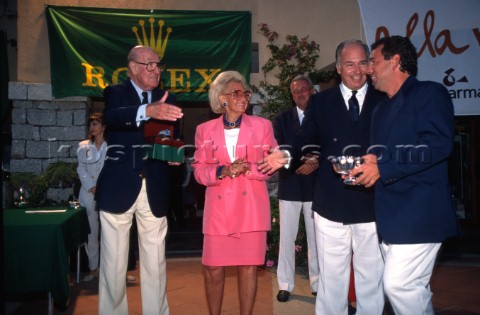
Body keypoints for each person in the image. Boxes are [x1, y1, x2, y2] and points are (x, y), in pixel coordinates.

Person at [259, 40, 386, 315]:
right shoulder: (321, 101)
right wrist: (286, 154)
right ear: (339, 68)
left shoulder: (384, 97)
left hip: (373, 202)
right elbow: (305, 139)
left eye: (362, 63)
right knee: (331, 280)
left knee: (371, 278)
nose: (357, 70)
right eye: (349, 64)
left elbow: (394, 141)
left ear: (369, 65)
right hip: (331, 204)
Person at [351, 35, 458, 315]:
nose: (368, 69)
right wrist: (367, 165)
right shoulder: (381, 108)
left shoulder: (429, 93)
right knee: (412, 288)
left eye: (373, 61)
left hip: (421, 213)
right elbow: (379, 153)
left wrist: (383, 167)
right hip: (391, 216)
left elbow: (438, 145)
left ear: (395, 60)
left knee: (399, 285)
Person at [95, 45, 183, 314]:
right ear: (132, 67)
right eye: (150, 65)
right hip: (119, 187)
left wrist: (174, 153)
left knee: (155, 263)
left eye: (158, 65)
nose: (156, 70)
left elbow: (170, 135)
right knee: (114, 264)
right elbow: (113, 117)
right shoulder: (116, 93)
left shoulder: (167, 97)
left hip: (155, 188)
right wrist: (147, 111)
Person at [192, 70, 278, 315]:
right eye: (236, 93)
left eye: (246, 93)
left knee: (248, 268)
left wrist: (247, 168)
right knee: (212, 268)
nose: (243, 98)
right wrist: (223, 170)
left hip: (251, 208)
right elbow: (199, 170)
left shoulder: (262, 126)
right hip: (219, 211)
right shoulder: (205, 130)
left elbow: (270, 165)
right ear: (222, 99)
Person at [273, 75, 319, 302]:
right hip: (290, 184)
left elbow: (329, 143)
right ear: (291, 95)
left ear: (312, 90)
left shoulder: (323, 116)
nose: (300, 94)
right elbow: (280, 149)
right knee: (286, 237)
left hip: (316, 186)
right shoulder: (281, 119)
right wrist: (305, 161)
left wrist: (316, 161)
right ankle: (285, 284)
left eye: (304, 89)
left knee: (316, 238)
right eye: (295, 91)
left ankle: (318, 282)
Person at [77, 112, 107, 282]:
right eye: (91, 124)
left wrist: (102, 187)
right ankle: (93, 268)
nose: (92, 127)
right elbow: (81, 168)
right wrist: (91, 186)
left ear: (103, 127)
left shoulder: (111, 146)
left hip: (107, 193)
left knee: (109, 233)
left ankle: (109, 269)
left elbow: (111, 171)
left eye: (96, 124)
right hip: (88, 194)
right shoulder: (83, 146)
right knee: (91, 233)